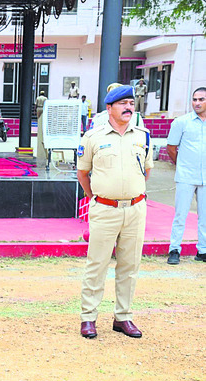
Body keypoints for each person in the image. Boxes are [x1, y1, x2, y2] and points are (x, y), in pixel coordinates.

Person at [76, 85, 153, 339]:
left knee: (130, 265)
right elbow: (82, 173)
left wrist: (133, 194)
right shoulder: (93, 137)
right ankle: (89, 318)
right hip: (105, 209)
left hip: (135, 209)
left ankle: (123, 317)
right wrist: (96, 198)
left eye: (131, 103)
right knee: (97, 264)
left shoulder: (143, 136)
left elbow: (147, 170)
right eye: (123, 103)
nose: (129, 107)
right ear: (109, 108)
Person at [166, 87, 206, 265]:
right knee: (180, 215)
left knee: (204, 216)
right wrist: (180, 166)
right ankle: (174, 249)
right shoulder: (181, 122)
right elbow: (171, 148)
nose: (197, 103)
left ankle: (203, 250)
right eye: (195, 99)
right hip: (186, 176)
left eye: (201, 99)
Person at [35, 90, 48, 167]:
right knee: (42, 119)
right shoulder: (45, 98)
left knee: (38, 119)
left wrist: (34, 110)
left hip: (38, 109)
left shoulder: (38, 98)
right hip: (43, 108)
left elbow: (35, 105)